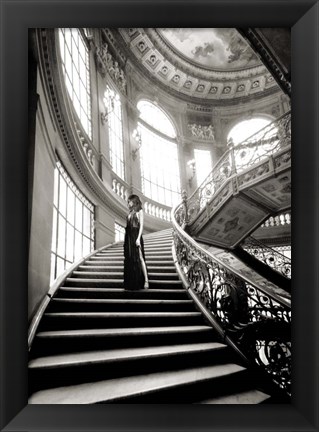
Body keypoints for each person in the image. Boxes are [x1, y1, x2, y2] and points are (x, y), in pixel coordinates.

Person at [123, 194, 149, 290]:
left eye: (129, 201)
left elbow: (141, 226)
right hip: (129, 237)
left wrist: (138, 238)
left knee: (140, 257)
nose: (128, 203)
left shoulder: (140, 211)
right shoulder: (130, 213)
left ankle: (146, 280)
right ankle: (132, 281)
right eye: (128, 201)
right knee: (131, 259)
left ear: (134, 201)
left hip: (136, 236)